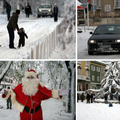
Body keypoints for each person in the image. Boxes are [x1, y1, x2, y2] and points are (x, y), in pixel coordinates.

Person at [2, 69, 68, 120]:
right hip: (25, 114)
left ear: (36, 78)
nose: (30, 79)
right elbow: (12, 93)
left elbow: (48, 93)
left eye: (32, 77)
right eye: (28, 77)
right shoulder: (21, 87)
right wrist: (5, 92)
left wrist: (58, 93)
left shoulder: (40, 88)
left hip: (37, 115)